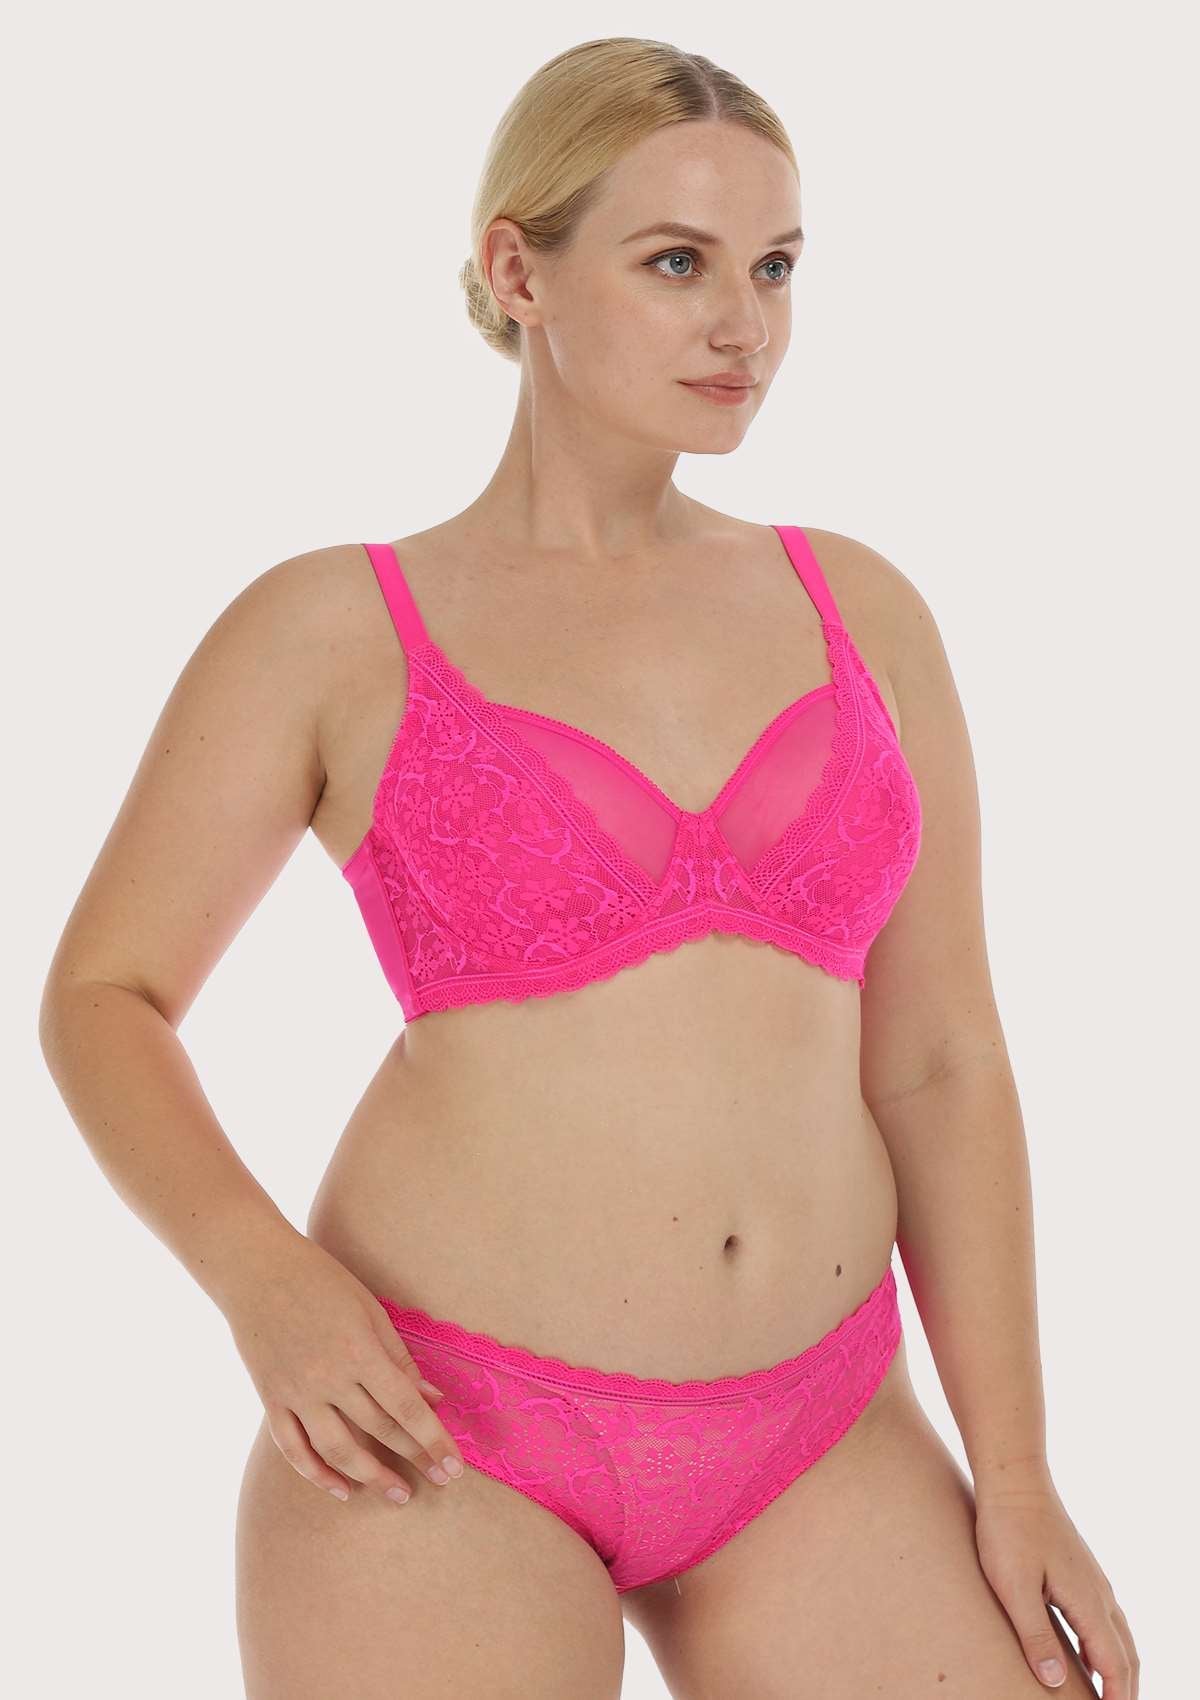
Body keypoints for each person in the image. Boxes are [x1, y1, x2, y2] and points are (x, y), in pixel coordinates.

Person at [38, 35, 1136, 1700]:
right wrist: (267, 1287)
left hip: (821, 1427)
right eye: (678, 263)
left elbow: (939, 1061)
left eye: (776, 267)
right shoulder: (333, 628)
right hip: (437, 1430)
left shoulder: (863, 609)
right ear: (517, 271)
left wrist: (1023, 1470)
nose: (744, 325)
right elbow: (106, 995)